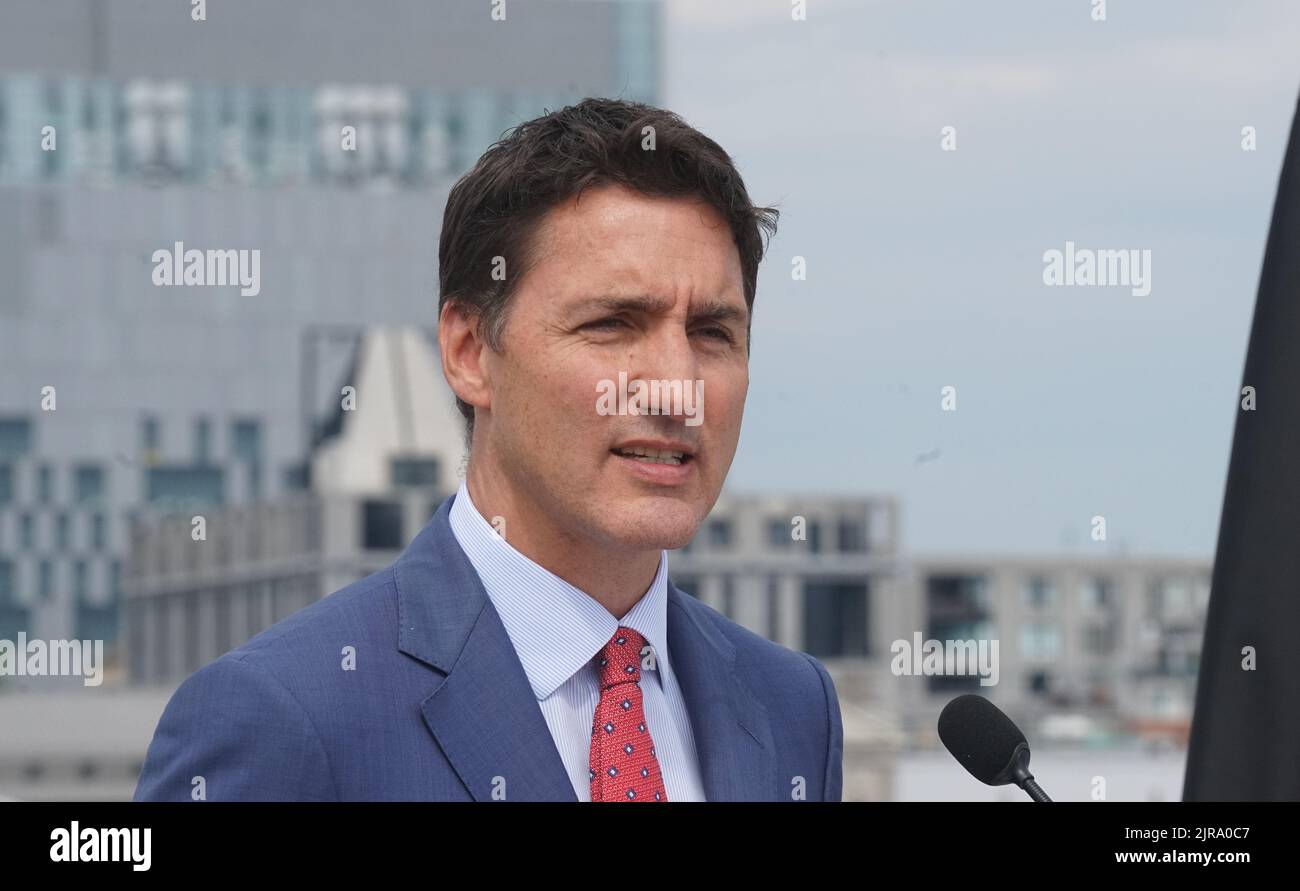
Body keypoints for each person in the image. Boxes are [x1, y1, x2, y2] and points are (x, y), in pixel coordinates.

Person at [134, 98, 844, 802]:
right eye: (612, 324)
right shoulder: (282, 718)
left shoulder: (792, 709)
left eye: (713, 332)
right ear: (470, 352)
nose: (675, 387)